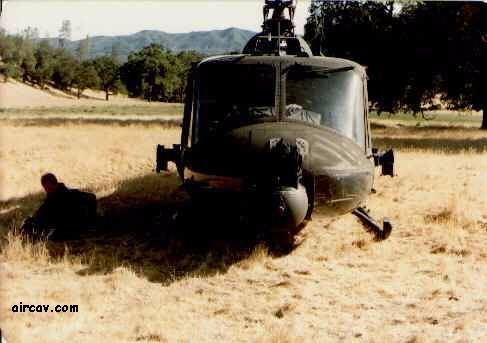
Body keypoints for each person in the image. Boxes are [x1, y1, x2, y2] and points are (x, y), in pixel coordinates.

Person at [21, 173, 97, 241]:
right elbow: (41, 213)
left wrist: (90, 221)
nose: (46, 190)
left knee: (51, 235)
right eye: (45, 188)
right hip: (62, 227)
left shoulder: (69, 194)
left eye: (47, 188)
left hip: (69, 228)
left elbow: (92, 197)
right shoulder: (52, 197)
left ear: (54, 183)